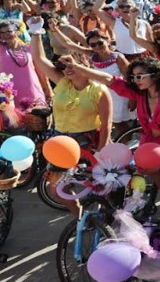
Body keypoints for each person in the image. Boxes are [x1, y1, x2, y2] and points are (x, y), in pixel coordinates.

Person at [68, 56, 160, 217]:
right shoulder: (141, 94)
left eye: (139, 76)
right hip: (150, 150)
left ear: (154, 75)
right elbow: (110, 80)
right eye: (132, 77)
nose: (135, 80)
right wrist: (78, 67)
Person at [28, 19, 113, 215]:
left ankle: (108, 216)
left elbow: (107, 124)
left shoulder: (99, 90)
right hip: (61, 141)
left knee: (102, 186)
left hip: (88, 141)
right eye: (63, 65)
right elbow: (40, 59)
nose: (67, 68)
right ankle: (80, 218)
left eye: (72, 63)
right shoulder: (62, 82)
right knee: (57, 189)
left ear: (84, 64)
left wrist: (101, 150)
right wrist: (36, 32)